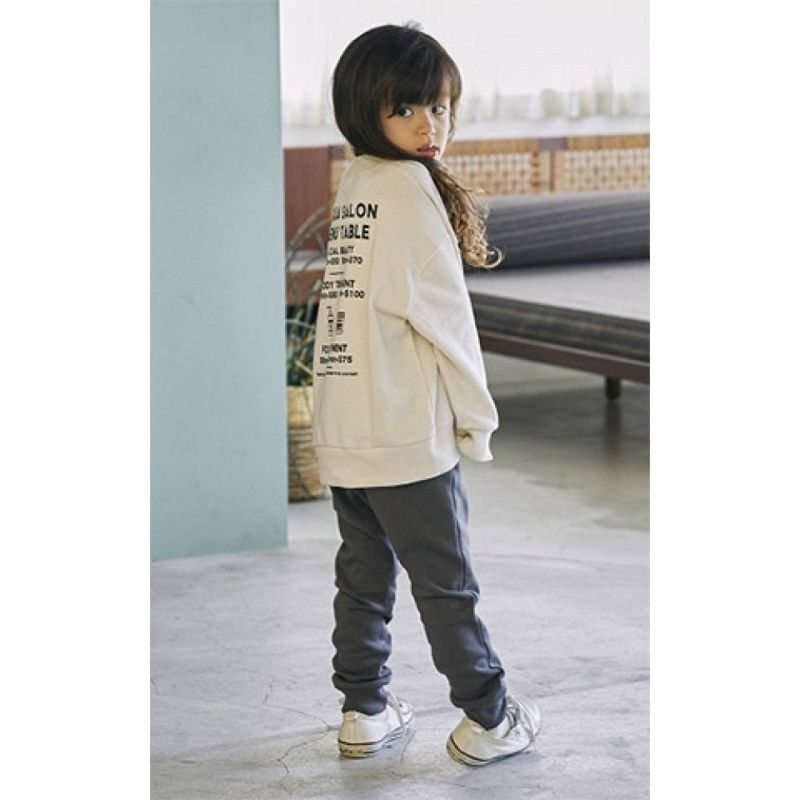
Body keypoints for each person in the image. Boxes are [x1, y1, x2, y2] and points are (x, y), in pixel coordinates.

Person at [311, 21, 541, 767]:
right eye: (406, 108)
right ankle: (490, 719)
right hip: (405, 434)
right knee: (446, 586)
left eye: (439, 107)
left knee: (363, 578)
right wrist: (477, 420)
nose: (429, 125)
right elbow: (446, 322)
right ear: (364, 108)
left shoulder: (359, 182)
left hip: (348, 428)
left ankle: (364, 711)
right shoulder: (407, 190)